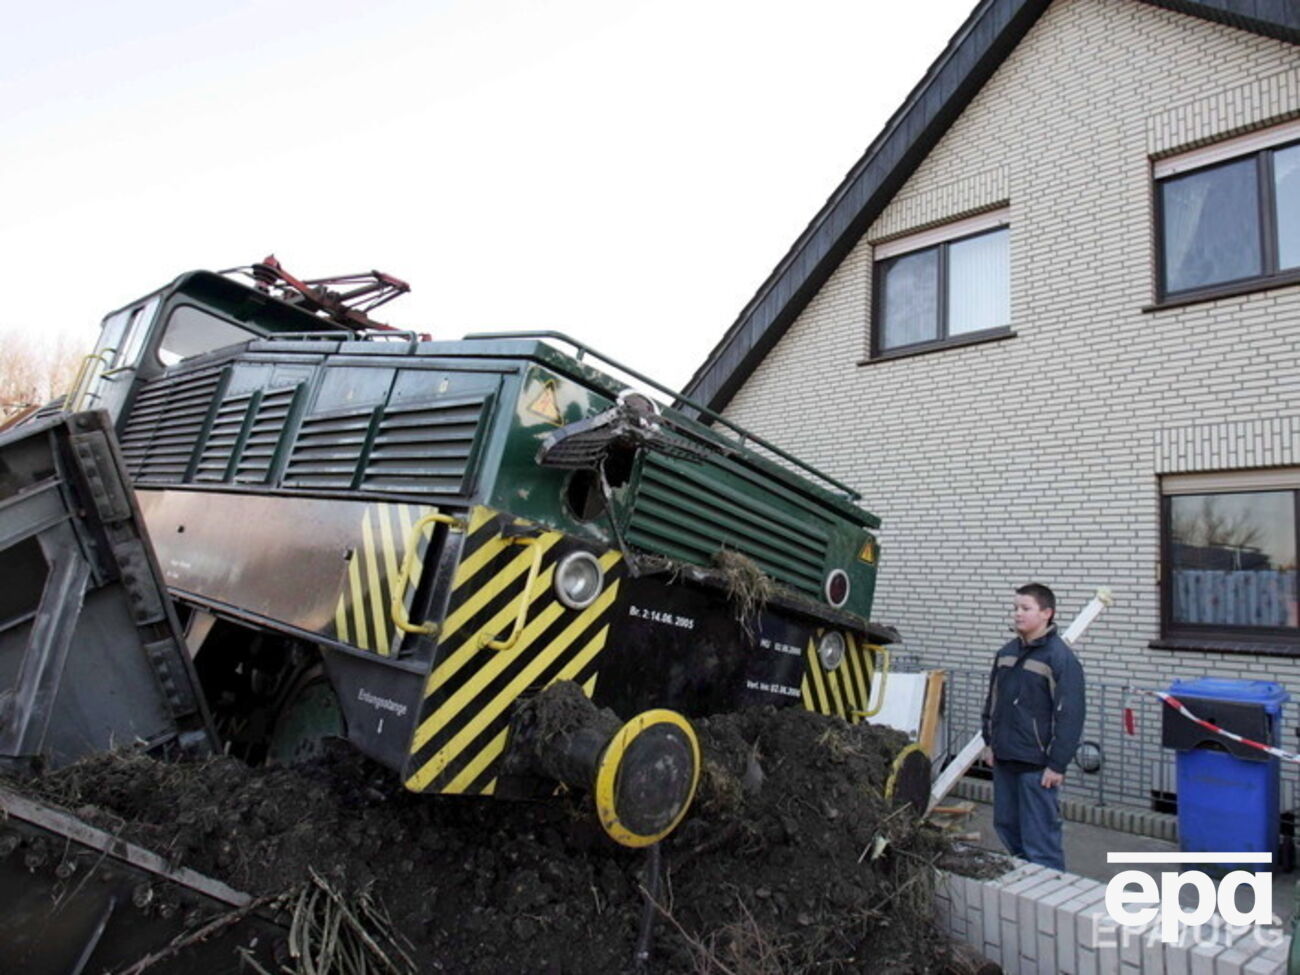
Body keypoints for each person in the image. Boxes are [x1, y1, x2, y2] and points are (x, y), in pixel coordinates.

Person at [979, 583, 1085, 871]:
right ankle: (1024, 884)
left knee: (1041, 840)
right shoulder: (1006, 653)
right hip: (1004, 759)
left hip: (1037, 767)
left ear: (1047, 613)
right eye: (1015, 608)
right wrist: (989, 743)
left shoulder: (1060, 659)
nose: (1017, 614)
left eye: (1025, 608)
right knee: (1006, 826)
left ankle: (1049, 894)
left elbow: (1070, 716)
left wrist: (1057, 764)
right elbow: (993, 701)